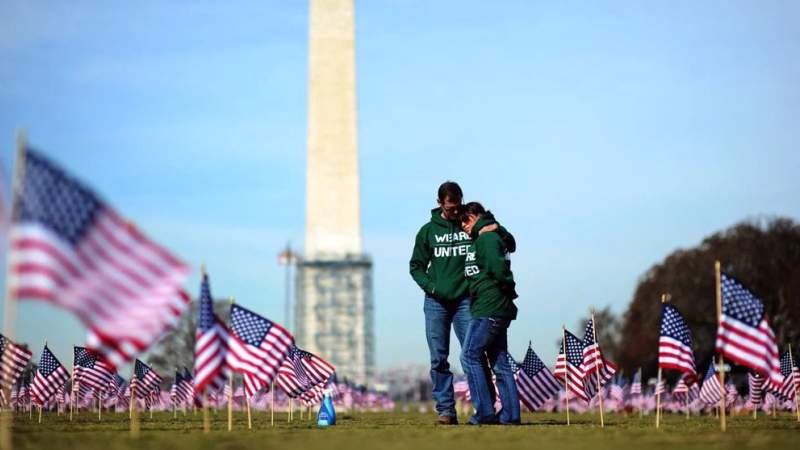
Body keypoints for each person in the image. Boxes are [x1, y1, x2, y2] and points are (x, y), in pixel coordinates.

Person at [409, 182, 515, 425]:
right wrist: (432, 287)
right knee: (438, 358)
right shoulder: (427, 232)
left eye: (457, 208)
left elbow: (507, 242)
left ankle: (485, 410)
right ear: (439, 204)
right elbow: (415, 266)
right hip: (436, 302)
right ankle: (446, 411)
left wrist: (496, 226)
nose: (454, 214)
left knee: (474, 355)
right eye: (449, 209)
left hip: (467, 302)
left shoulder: (472, 222)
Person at [459, 201, 520, 425]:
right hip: (492, 305)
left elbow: (498, 270)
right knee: (499, 361)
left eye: (465, 220)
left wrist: (508, 288)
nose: (463, 226)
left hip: (489, 307)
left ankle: (484, 412)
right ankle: (511, 415)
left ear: (475, 216)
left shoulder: (487, 239)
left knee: (469, 355)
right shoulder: (485, 237)